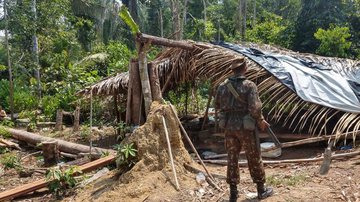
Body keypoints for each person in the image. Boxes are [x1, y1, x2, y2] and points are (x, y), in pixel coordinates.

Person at [215, 58, 273, 201]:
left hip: (229, 126)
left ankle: (233, 194)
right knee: (253, 156)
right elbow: (254, 108)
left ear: (233, 70)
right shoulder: (249, 85)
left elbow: (217, 104)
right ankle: (261, 190)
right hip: (245, 127)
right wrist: (260, 120)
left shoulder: (222, 86)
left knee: (232, 157)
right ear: (245, 68)